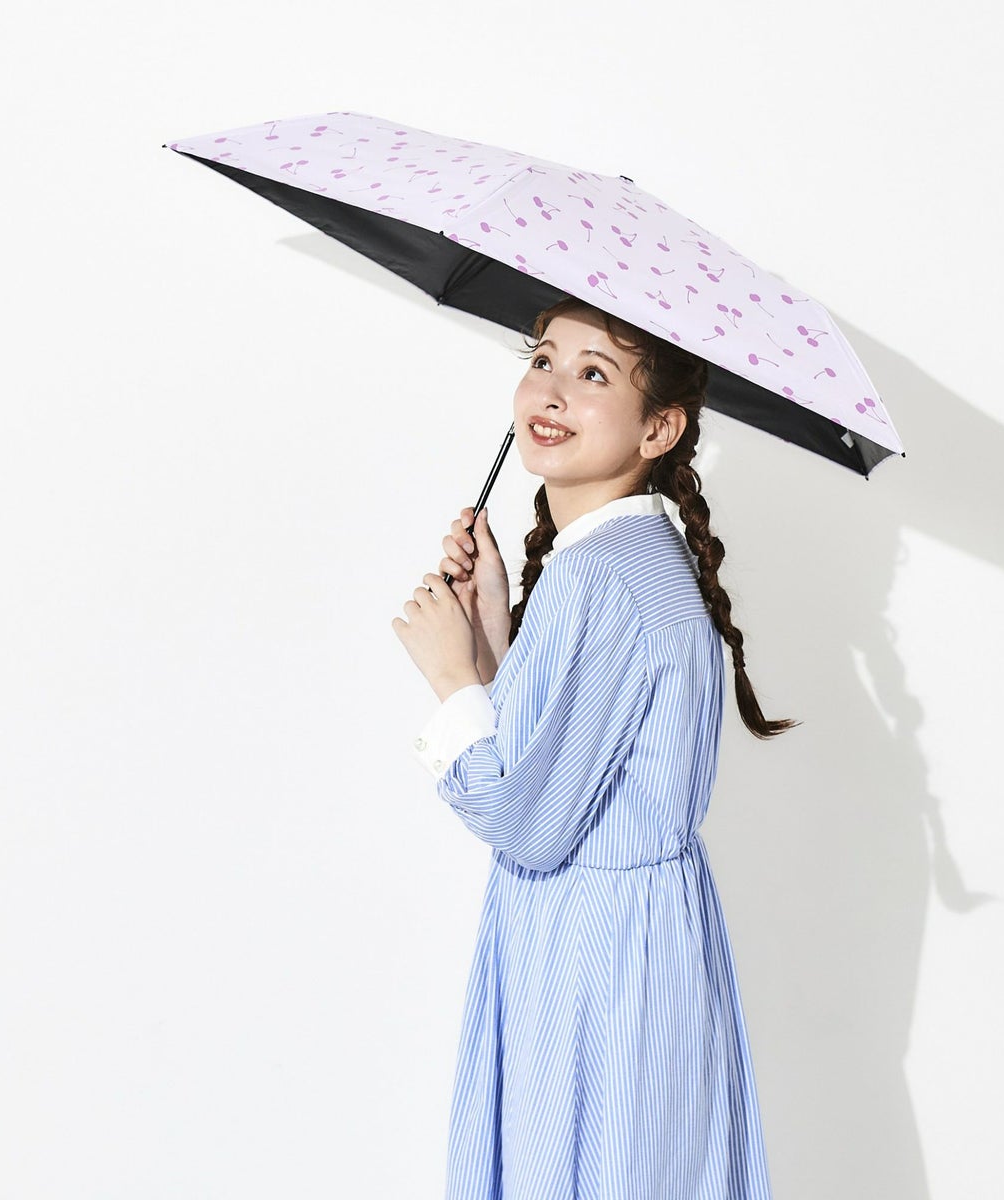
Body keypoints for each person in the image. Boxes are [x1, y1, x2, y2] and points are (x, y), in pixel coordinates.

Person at [392, 295, 799, 1199]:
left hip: (594, 960)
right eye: (543, 359)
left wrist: (452, 678)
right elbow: (573, 762)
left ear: (659, 428)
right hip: (626, 946)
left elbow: (531, 823)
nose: (552, 391)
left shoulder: (603, 578)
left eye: (592, 374)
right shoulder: (621, 560)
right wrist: (492, 639)